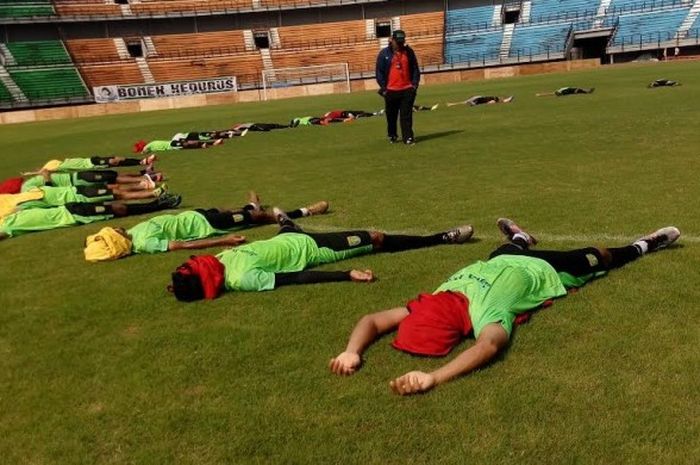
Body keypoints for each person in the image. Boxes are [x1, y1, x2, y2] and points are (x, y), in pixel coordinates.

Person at [330, 218, 680, 396]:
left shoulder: (433, 299)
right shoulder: (485, 315)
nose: (426, 306)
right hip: (549, 271)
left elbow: (373, 321)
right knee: (598, 255)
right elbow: (489, 346)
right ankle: (643, 246)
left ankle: (520, 238)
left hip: (501, 261)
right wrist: (434, 377)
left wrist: (351, 351)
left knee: (504, 251)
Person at [169, 209, 474, 301]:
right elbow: (296, 277)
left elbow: (193, 268)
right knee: (377, 238)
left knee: (286, 226)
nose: (193, 263)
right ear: (204, 279)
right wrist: (345, 274)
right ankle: (443, 238)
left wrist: (177, 284)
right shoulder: (242, 279)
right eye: (192, 269)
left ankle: (287, 220)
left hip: (286, 239)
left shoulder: (215, 265)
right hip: (314, 248)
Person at [84, 191, 330, 262]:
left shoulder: (131, 233)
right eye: (112, 233)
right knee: (254, 218)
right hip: (205, 226)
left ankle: (250, 205)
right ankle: (304, 211)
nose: (115, 229)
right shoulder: (144, 243)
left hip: (197, 215)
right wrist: (224, 241)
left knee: (238, 213)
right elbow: (183, 245)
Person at [0, 193, 182, 240]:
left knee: (109, 205)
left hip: (68, 207)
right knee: (116, 210)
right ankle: (157, 205)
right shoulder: (6, 229)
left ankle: (156, 202)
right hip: (74, 217)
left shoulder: (7, 217)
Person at [376, 30, 421, 145]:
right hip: (390, 90)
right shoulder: (384, 54)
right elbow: (379, 72)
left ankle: (408, 138)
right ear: (392, 40)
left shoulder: (409, 52)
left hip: (407, 89)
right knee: (391, 116)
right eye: (398, 42)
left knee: (406, 115)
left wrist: (414, 85)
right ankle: (392, 134)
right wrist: (384, 89)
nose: (400, 44)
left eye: (402, 41)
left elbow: (415, 69)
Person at [133, 137, 224, 154]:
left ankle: (210, 143)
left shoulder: (148, 147)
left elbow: (144, 152)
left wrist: (141, 151)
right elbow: (144, 151)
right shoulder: (149, 146)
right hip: (171, 144)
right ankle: (209, 143)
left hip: (172, 144)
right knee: (188, 144)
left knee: (188, 144)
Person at [447, 96, 514, 107]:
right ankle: (507, 100)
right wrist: (452, 104)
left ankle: (507, 100)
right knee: (495, 100)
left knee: (496, 100)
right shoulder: (471, 101)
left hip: (484, 99)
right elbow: (462, 102)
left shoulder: (472, 100)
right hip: (484, 100)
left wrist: (451, 104)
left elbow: (462, 102)